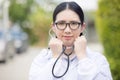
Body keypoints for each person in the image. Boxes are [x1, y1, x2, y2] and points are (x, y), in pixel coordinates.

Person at [29, 1, 113, 80]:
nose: (67, 30)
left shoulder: (98, 60)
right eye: (61, 23)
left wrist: (83, 58)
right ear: (53, 27)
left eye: (73, 23)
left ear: (82, 27)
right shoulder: (42, 59)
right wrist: (55, 58)